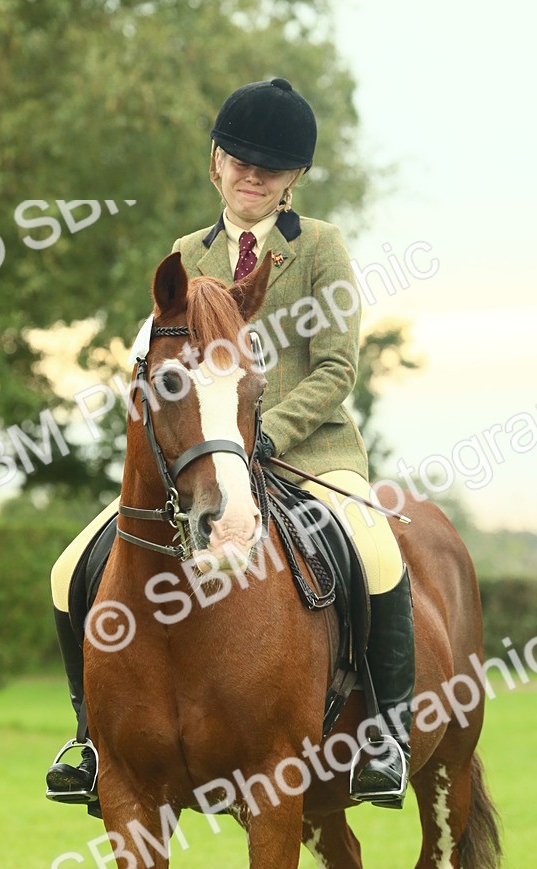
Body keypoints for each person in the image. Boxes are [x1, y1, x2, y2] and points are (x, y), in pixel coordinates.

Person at [45, 77, 415, 811]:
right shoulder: (186, 254)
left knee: (378, 553)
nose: (254, 177)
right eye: (242, 162)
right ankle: (92, 740)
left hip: (310, 458)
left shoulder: (320, 247)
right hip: (204, 465)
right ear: (216, 162)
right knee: (69, 569)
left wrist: (266, 433)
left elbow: (336, 369)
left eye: (271, 168)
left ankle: (385, 737)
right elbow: (161, 365)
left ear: (294, 178)